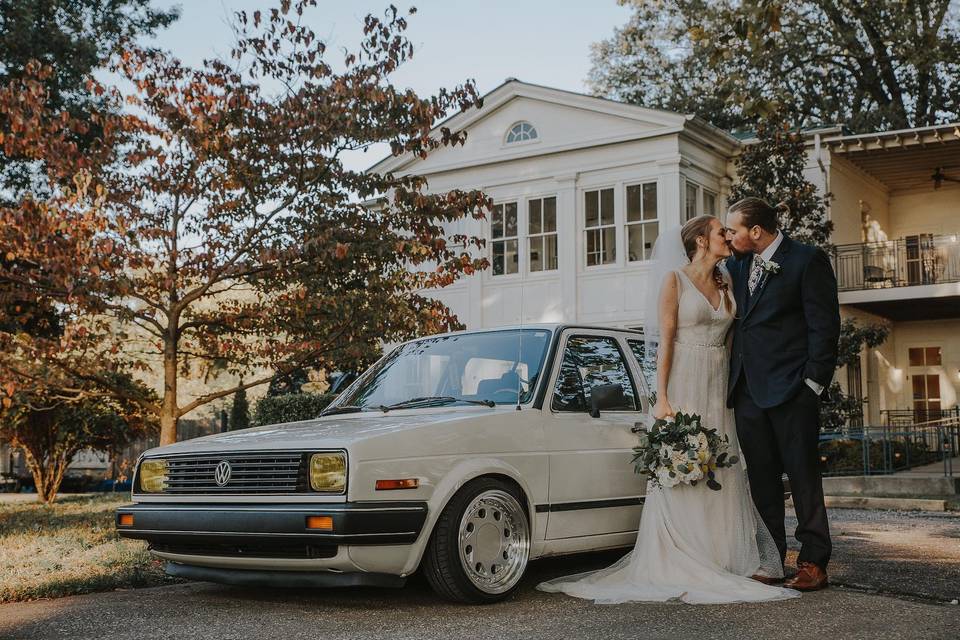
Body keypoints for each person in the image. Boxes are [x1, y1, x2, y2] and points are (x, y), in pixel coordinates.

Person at [537, 215, 799, 605]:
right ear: (699, 241)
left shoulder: (728, 283)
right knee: (686, 469)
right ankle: (685, 555)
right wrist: (661, 398)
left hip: (717, 385)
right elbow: (666, 342)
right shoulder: (674, 280)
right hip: (683, 381)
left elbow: (732, 343)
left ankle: (722, 556)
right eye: (719, 232)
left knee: (721, 466)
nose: (727, 237)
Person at [725, 197, 840, 592]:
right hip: (747, 392)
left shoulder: (807, 260)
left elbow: (824, 327)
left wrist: (812, 385)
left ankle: (812, 561)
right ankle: (772, 560)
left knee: (804, 476)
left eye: (733, 230)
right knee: (762, 480)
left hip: (793, 390)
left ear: (755, 231)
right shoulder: (737, 265)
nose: (729, 236)